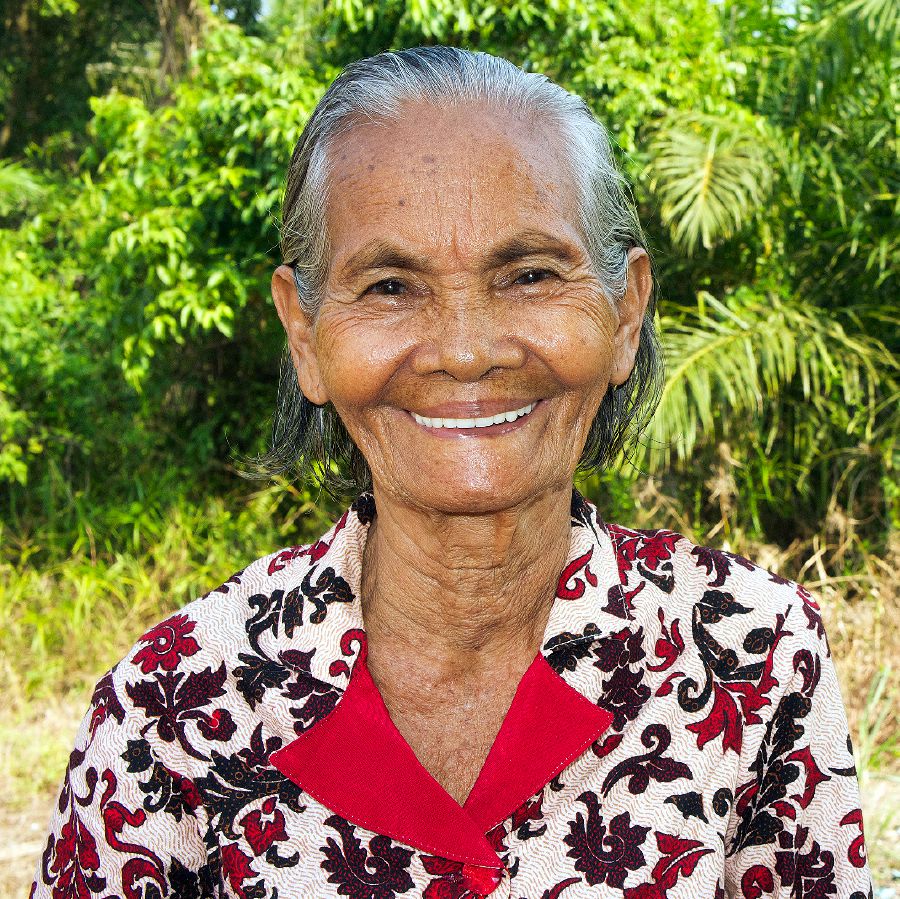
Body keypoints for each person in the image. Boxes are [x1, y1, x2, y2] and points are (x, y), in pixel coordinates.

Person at [32, 46, 872, 899]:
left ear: (625, 313)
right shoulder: (175, 701)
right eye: (391, 286)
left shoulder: (750, 657)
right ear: (304, 335)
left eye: (532, 274)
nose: (467, 352)